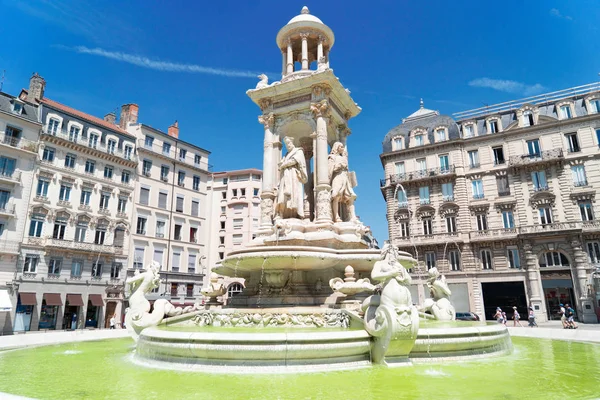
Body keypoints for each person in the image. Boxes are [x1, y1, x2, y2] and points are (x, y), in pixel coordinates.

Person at [275, 136, 308, 220]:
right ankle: (284, 213)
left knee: (294, 194)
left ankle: (294, 213)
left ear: (292, 143)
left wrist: (283, 164)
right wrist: (282, 163)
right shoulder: (286, 155)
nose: (288, 145)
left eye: (289, 143)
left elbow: (294, 161)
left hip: (293, 175)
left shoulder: (298, 151)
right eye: (286, 144)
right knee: (283, 194)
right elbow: (282, 164)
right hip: (286, 176)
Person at [328, 142, 357, 222]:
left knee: (350, 197)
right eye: (341, 147)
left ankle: (353, 216)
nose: (342, 148)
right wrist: (339, 166)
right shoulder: (332, 157)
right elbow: (329, 170)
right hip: (337, 177)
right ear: (336, 147)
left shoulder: (343, 158)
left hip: (345, 178)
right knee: (336, 196)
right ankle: (336, 216)